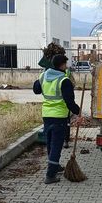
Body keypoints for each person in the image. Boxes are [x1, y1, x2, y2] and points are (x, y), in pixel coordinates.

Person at [35, 54, 81, 184]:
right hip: (59, 117)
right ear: (61, 65)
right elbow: (69, 102)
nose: (66, 67)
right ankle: (50, 175)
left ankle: (54, 166)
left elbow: (36, 90)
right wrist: (78, 112)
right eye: (65, 64)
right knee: (56, 146)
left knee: (50, 143)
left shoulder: (43, 76)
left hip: (46, 115)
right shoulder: (64, 80)